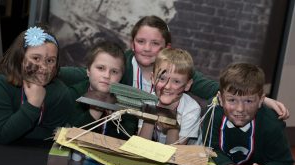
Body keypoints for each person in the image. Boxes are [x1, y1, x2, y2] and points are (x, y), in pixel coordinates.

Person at [120, 15, 289, 119]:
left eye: (155, 43)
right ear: (132, 43)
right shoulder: (120, 64)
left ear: (166, 48)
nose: (147, 48)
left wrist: (264, 100)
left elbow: (215, 88)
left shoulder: (179, 71)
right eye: (141, 41)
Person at [202, 63, 293, 165]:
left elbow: (284, 163)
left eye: (249, 101)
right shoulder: (212, 113)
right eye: (232, 100)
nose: (240, 109)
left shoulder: (272, 124)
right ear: (221, 99)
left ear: (261, 101)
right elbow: (207, 149)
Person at [0, 26, 72, 144]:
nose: (44, 67)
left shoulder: (60, 93)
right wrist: (33, 104)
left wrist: (16, 130)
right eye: (36, 58)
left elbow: (52, 135)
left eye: (50, 60)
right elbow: (1, 135)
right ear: (20, 58)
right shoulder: (1, 84)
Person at [67, 41, 138, 139]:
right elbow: (69, 134)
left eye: (114, 71)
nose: (107, 76)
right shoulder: (72, 94)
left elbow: (124, 138)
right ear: (88, 70)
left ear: (121, 77)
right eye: (100, 68)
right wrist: (95, 111)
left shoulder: (128, 104)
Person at [139, 48, 201, 145]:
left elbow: (175, 153)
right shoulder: (148, 100)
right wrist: (150, 115)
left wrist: (172, 123)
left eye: (176, 81)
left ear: (188, 85)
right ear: (152, 78)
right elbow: (140, 144)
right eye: (162, 78)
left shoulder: (191, 109)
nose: (167, 86)